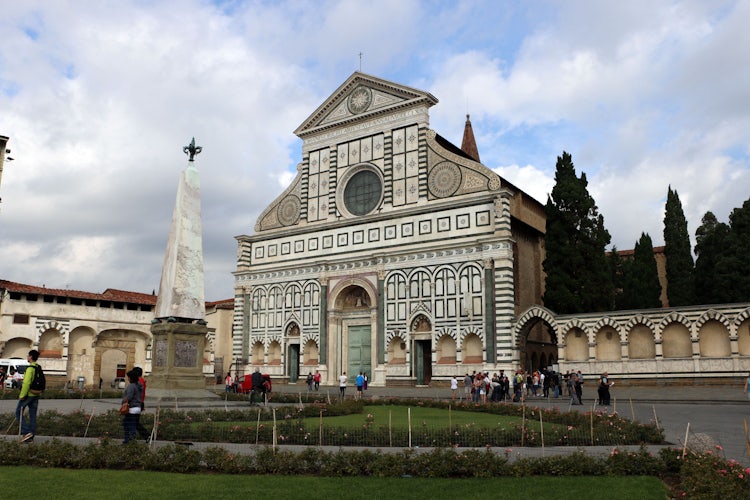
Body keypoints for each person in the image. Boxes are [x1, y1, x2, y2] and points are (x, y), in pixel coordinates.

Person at [16, 349, 42, 443]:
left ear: (30, 357)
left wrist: (22, 395)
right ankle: (31, 436)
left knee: (18, 412)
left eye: (28, 356)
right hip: (36, 394)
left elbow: (26, 383)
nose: (27, 357)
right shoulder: (38, 367)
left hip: (29, 394)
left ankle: (26, 432)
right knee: (33, 415)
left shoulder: (30, 369)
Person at [121, 370, 142, 444]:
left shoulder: (131, 386)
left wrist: (123, 401)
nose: (128, 379)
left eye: (128, 377)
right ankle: (129, 440)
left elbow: (129, 397)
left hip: (132, 408)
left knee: (129, 425)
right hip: (138, 408)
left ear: (131, 378)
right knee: (131, 424)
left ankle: (129, 441)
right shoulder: (139, 385)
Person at [133, 366, 150, 441]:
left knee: (134, 422)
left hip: (136, 403)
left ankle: (147, 435)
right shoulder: (141, 380)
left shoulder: (138, 381)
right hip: (139, 403)